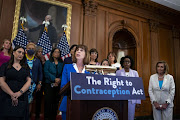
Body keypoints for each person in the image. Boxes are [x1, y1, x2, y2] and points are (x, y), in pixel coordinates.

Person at [0, 46, 31, 120]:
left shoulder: (26, 67)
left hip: (21, 97)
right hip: (7, 96)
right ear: (13, 53)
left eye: (23, 53)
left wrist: (19, 93)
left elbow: (29, 81)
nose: (21, 54)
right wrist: (12, 94)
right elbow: (1, 82)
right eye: (19, 52)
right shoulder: (5, 66)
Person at [59, 44, 89, 120]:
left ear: (86, 54)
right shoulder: (67, 67)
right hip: (68, 104)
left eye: (81, 50)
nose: (78, 51)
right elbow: (63, 85)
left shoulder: (89, 70)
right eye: (77, 50)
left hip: (85, 105)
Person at [116, 55, 141, 120]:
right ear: (122, 63)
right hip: (121, 99)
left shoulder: (135, 73)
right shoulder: (118, 73)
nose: (127, 63)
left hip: (131, 99)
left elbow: (137, 87)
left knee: (130, 117)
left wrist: (138, 101)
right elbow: (116, 86)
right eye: (125, 62)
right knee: (121, 116)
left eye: (128, 62)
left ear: (131, 63)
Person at [44, 48, 64, 120]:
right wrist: (54, 79)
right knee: (48, 102)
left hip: (58, 85)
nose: (57, 53)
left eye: (58, 52)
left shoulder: (61, 63)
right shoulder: (48, 62)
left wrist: (59, 80)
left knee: (55, 102)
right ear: (52, 53)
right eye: (55, 52)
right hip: (49, 85)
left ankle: (53, 117)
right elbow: (46, 73)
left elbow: (63, 73)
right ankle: (47, 118)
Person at [25, 43, 43, 118]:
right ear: (26, 49)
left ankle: (28, 116)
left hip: (33, 85)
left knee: (30, 102)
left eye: (32, 49)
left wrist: (39, 83)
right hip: (23, 84)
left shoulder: (37, 60)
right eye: (29, 48)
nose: (31, 50)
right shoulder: (22, 58)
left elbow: (40, 73)